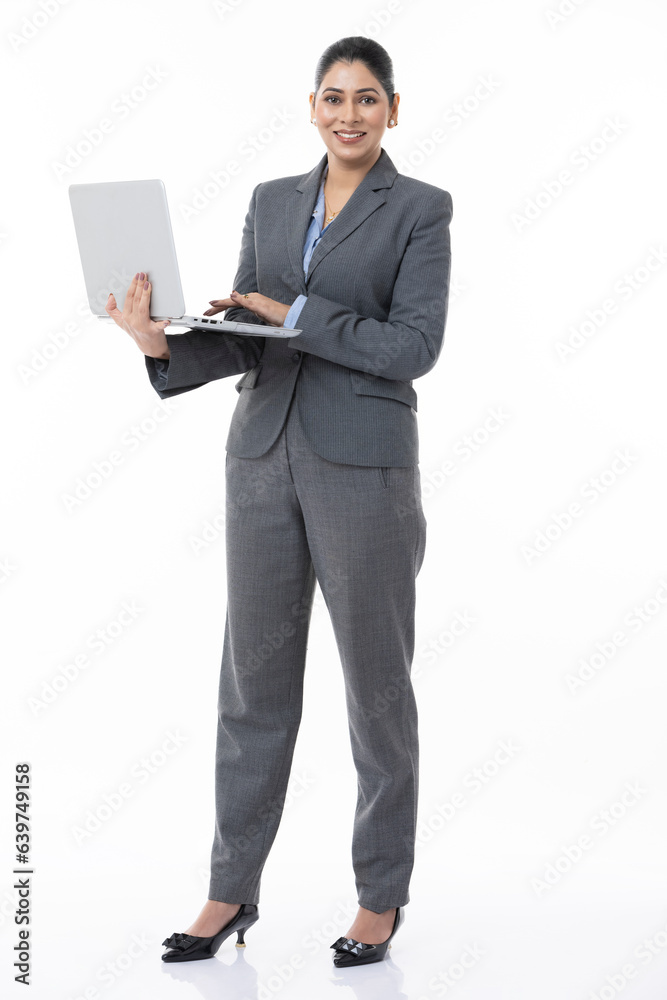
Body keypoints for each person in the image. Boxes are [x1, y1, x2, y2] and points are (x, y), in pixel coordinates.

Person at [105, 35, 453, 968]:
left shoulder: (420, 209)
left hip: (365, 467)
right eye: (333, 97)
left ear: (392, 110)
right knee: (250, 688)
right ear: (311, 107)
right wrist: (158, 341)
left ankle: (379, 897)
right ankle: (230, 891)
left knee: (376, 691)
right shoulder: (270, 201)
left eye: (367, 99)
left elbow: (412, 346)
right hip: (260, 459)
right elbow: (248, 338)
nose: (349, 114)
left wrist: (295, 315)